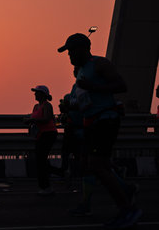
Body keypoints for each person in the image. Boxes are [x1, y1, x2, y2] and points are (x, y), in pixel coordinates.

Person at [58, 33, 141, 228]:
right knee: (90, 164)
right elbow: (87, 101)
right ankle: (126, 191)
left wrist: (92, 86)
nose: (69, 56)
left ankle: (128, 210)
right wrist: (70, 107)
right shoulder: (80, 72)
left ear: (81, 49)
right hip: (91, 124)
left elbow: (121, 85)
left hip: (106, 120)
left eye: (70, 51)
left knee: (96, 165)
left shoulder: (100, 64)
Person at [25, 85, 63, 196]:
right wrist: (29, 121)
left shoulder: (47, 105)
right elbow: (35, 120)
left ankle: (46, 186)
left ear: (43, 94)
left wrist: (32, 119)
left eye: (37, 92)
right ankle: (57, 175)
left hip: (49, 133)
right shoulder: (36, 107)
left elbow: (47, 118)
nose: (35, 94)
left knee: (41, 160)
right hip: (40, 134)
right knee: (40, 161)